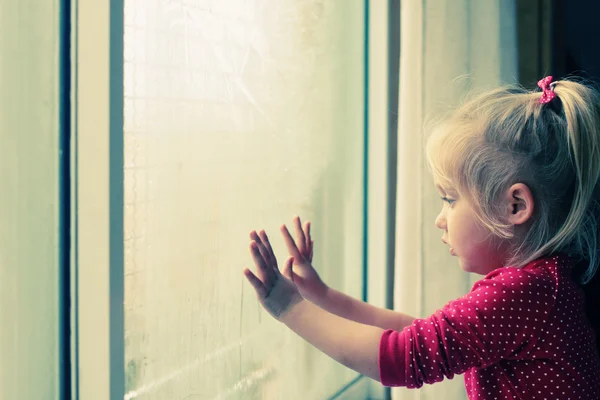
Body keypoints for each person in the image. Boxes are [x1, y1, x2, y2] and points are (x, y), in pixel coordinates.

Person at [242, 76, 600, 399]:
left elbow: (403, 357)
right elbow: (416, 335)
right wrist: (321, 295)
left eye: (450, 199)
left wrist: (290, 308)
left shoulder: (525, 293)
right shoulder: (541, 286)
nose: (439, 220)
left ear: (514, 205)